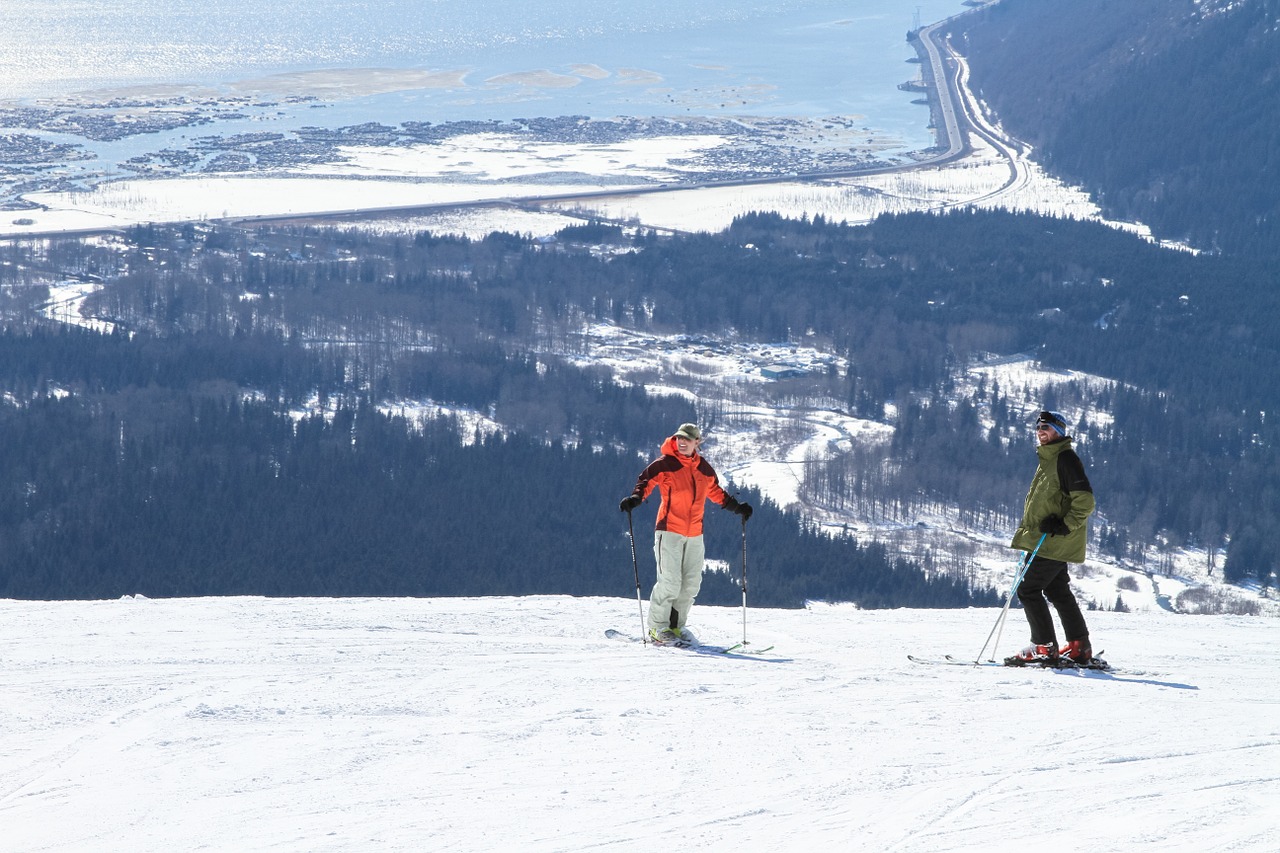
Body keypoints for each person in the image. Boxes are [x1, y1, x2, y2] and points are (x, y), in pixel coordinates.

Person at [619, 423, 752, 644]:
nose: (682, 442)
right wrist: (635, 499)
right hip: (669, 530)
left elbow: (716, 492)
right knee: (670, 581)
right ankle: (657, 628)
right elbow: (645, 482)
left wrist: (737, 508)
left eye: (687, 439)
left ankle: (676, 628)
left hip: (695, 533)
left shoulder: (704, 469)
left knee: (690, 584)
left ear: (697, 442)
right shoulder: (665, 464)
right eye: (680, 438)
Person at [1005, 410, 1097, 666]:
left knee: (1028, 589)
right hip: (1049, 539)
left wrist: (1063, 525)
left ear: (1060, 431)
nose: (1040, 431)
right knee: (1057, 590)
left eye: (1046, 426)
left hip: (1053, 540)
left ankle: (1043, 646)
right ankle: (1079, 646)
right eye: (1038, 427)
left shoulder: (1065, 459)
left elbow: (1085, 501)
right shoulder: (1049, 458)